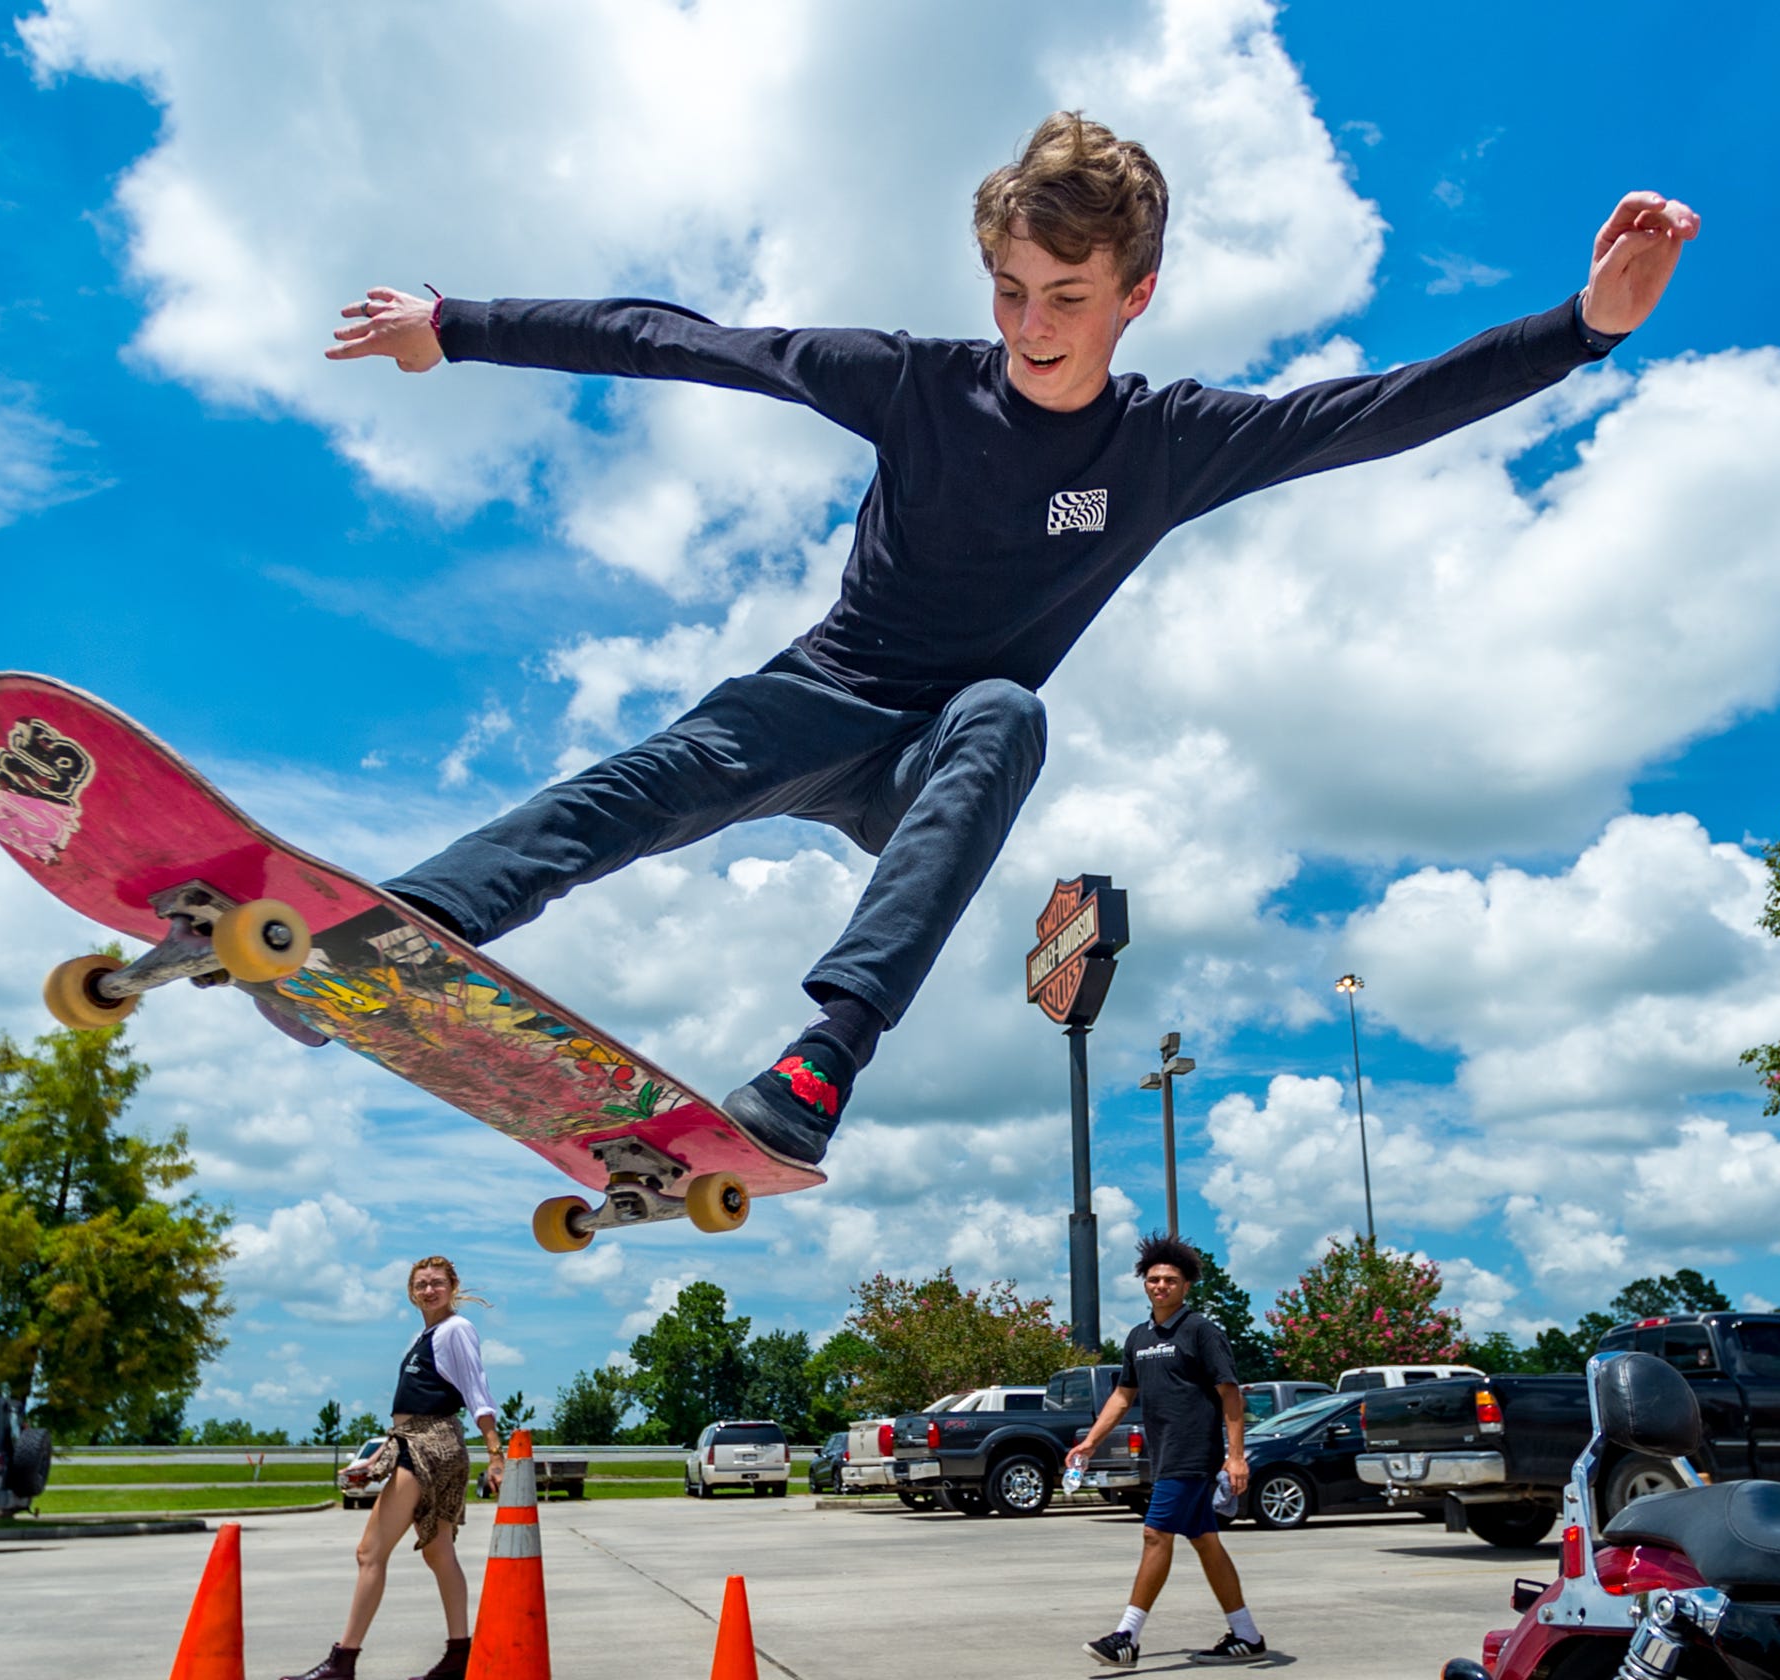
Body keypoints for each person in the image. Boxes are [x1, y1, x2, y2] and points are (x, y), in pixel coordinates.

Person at [326, 113, 1697, 1172]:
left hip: (937, 758)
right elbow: (682, 341)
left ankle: (820, 1066)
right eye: (1008, 290)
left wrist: (1582, 332)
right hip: (823, 696)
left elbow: (1375, 410)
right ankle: (413, 920)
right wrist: (457, 326)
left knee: (1005, 712)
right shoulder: (916, 383)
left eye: (1064, 296)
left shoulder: (1168, 444)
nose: (1029, 328)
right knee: (653, 779)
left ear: (1136, 293)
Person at [281, 1257, 503, 1680]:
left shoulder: (456, 1330)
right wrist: (379, 1452)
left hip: (429, 1445)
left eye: (437, 1283)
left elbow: (479, 1393)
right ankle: (459, 1658)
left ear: (453, 1287)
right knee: (439, 1551)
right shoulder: (427, 1335)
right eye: (421, 1284)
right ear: (410, 1292)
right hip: (420, 1441)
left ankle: (342, 1662)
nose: (429, 1290)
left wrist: (496, 1453)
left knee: (370, 1552)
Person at [1064, 1235, 1261, 1666]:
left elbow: (1230, 1394)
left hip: (1194, 1453)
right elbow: (1121, 1396)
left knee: (1155, 1535)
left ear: (1186, 1284)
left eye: (1170, 1280)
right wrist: (1091, 1442)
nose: (1160, 1286)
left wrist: (1235, 1455)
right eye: (1153, 1279)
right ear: (1144, 1283)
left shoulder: (1201, 1331)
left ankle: (1126, 1637)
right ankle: (1247, 1635)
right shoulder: (1138, 1337)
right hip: (1164, 1452)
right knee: (1206, 1542)